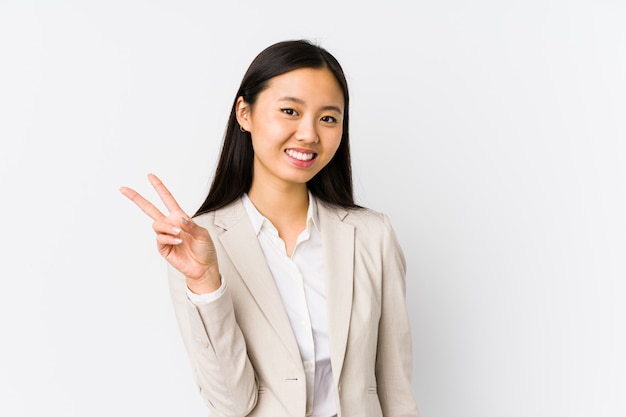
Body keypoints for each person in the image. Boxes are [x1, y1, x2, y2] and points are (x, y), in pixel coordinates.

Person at [120, 39, 420, 417]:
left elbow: (396, 389)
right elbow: (231, 403)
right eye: (290, 111)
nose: (309, 134)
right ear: (244, 113)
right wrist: (205, 282)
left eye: (328, 118)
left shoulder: (372, 235)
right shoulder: (199, 244)